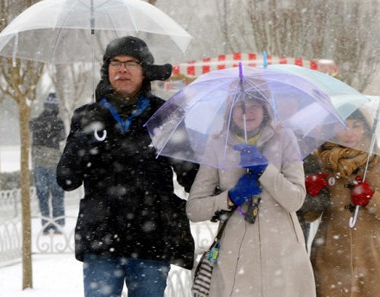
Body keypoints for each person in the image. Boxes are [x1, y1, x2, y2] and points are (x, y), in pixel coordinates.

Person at [56, 36, 198, 297]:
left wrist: (226, 190)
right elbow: (67, 179)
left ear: (145, 71)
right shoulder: (86, 116)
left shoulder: (165, 115)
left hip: (152, 240)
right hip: (101, 240)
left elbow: (191, 175)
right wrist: (85, 135)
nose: (122, 70)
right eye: (115, 63)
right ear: (106, 70)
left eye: (131, 63)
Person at [186, 90, 316, 296]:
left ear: (266, 109)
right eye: (240, 105)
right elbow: (194, 209)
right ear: (230, 110)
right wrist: (231, 197)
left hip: (283, 251)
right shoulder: (217, 144)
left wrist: (264, 169)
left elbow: (295, 200)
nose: (247, 111)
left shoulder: (284, 138)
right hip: (235, 254)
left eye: (255, 105)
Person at [302, 109, 380, 297]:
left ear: (366, 129)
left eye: (356, 126)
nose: (349, 132)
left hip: (374, 257)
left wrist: (371, 199)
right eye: (342, 125)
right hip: (330, 257)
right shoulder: (320, 161)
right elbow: (310, 217)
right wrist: (313, 195)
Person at [30, 92, 66, 235]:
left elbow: (32, 132)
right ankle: (58, 223)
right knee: (57, 193)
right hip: (54, 162)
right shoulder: (58, 123)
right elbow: (62, 137)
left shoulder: (35, 121)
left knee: (42, 194)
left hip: (39, 162)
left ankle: (46, 224)